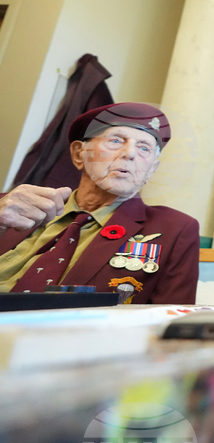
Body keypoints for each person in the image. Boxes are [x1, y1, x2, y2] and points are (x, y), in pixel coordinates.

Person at [0, 103, 199, 304]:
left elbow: (171, 320)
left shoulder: (175, 229)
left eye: (144, 148)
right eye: (115, 141)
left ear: (151, 170)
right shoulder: (10, 206)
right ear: (79, 154)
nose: (129, 154)